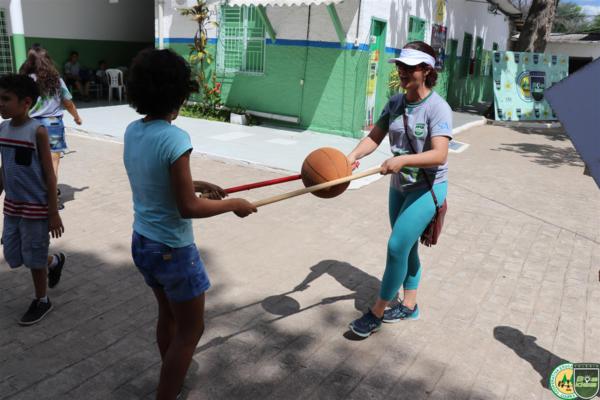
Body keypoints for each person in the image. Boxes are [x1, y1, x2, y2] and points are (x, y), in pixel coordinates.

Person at [123, 48, 257, 400]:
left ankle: (170, 377)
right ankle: (167, 392)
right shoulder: (176, 138)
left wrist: (197, 183)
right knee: (191, 330)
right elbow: (188, 207)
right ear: (180, 94)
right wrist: (233, 205)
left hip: (143, 243)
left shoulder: (133, 131)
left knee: (167, 315)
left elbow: (154, 180)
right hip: (173, 250)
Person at [346, 41, 453, 338]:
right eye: (400, 67)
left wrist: (402, 160)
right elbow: (374, 137)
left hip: (427, 188)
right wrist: (351, 157)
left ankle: (376, 313)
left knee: (396, 247)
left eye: (410, 67)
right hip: (400, 186)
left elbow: (440, 154)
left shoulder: (438, 108)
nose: (402, 72)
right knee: (406, 247)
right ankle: (410, 305)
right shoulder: (395, 103)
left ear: (426, 70)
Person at [0, 74, 66, 325]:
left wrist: (53, 212)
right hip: (12, 206)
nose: (1, 104)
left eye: (6, 99)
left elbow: (49, 174)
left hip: (36, 208)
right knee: (14, 254)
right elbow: (4, 167)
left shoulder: (37, 131)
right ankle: (54, 261)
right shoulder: (3, 129)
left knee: (34, 257)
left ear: (26, 102)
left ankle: (42, 300)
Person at [20, 46, 83, 209]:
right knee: (53, 163)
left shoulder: (25, 80)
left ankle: (35, 197)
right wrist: (76, 117)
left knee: (34, 162)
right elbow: (68, 103)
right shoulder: (56, 79)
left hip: (30, 125)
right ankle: (52, 199)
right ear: (47, 60)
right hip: (53, 124)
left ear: (29, 61)